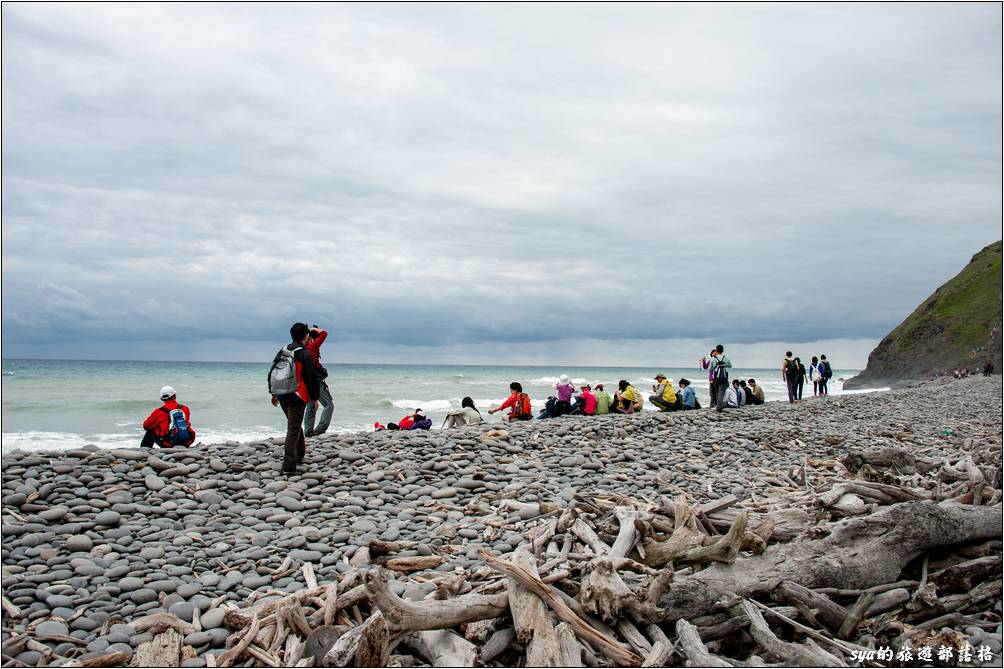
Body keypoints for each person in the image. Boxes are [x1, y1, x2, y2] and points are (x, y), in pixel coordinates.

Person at [269, 322, 320, 473]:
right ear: (306, 336)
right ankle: (289, 465)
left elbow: (273, 371)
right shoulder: (304, 353)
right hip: (297, 395)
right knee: (293, 428)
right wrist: (315, 398)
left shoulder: (283, 350)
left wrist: (274, 392)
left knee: (295, 425)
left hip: (283, 393)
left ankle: (300, 455)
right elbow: (312, 377)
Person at [304, 325, 334, 438]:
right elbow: (324, 333)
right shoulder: (313, 346)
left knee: (311, 405)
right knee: (329, 405)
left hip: (306, 380)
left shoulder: (303, 350)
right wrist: (316, 330)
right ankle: (320, 430)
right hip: (315, 380)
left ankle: (308, 431)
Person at [705, 345, 732, 413]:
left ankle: (718, 406)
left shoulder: (713, 359)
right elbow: (730, 365)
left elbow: (710, 369)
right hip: (724, 377)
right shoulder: (725, 358)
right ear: (722, 350)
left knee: (717, 392)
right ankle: (720, 406)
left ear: (716, 350)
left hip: (716, 377)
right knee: (722, 392)